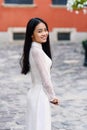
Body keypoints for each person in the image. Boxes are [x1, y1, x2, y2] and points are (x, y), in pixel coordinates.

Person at [21, 17, 59, 130]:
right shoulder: (36, 51)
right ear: (31, 34)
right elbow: (45, 78)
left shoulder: (35, 49)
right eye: (39, 31)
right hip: (40, 95)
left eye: (45, 30)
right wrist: (52, 96)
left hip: (35, 93)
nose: (44, 33)